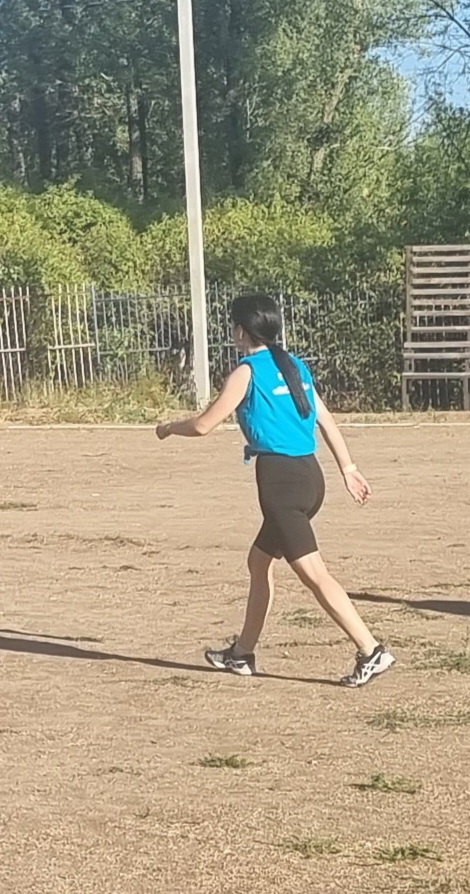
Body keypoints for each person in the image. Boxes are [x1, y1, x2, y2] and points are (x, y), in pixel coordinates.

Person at [156, 292, 395, 688]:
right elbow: (325, 419)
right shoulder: (294, 365)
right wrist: (348, 468)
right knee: (258, 561)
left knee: (315, 574)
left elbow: (203, 425)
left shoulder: (246, 372)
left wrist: (168, 427)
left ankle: (371, 650)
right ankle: (241, 654)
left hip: (281, 485)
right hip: (309, 477)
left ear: (240, 331)